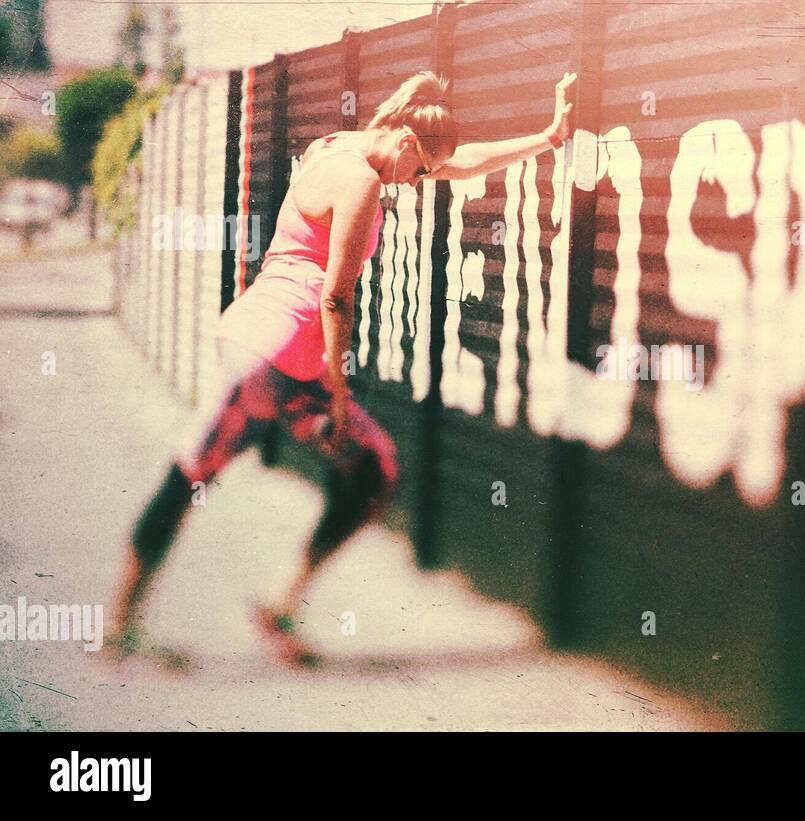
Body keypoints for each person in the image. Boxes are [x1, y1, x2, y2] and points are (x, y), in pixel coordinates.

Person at [107, 70, 577, 666]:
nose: (416, 183)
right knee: (192, 473)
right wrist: (336, 397)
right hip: (264, 357)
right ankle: (119, 625)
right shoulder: (360, 181)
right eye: (419, 171)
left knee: (373, 468)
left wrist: (549, 137)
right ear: (406, 142)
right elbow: (336, 297)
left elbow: (460, 164)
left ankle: (280, 606)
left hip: (289, 360)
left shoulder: (341, 144)